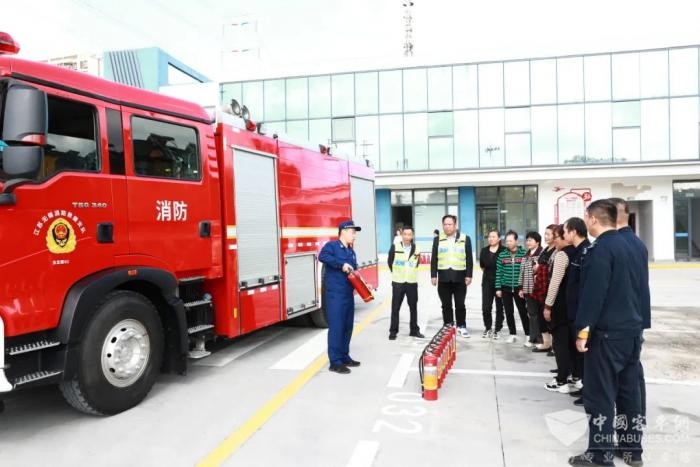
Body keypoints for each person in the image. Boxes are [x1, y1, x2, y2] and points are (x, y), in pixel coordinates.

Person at [568, 200, 644, 467]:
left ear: (592, 219)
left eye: (586, 217)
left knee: (599, 396)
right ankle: (632, 450)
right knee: (629, 394)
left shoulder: (600, 249)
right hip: (631, 331)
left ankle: (600, 455)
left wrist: (582, 332)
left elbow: (593, 295)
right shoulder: (633, 244)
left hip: (607, 335)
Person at [609, 197, 651, 456]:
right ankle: (632, 447)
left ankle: (621, 445)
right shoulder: (637, 243)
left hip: (619, 326)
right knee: (631, 384)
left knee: (620, 388)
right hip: (635, 322)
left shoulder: (615, 245)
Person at [318, 220, 362, 374]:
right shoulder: (332, 246)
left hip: (348, 294)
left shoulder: (351, 252)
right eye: (352, 232)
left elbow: (355, 273)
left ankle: (344, 356)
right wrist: (341, 264)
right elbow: (322, 256)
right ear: (343, 231)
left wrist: (364, 285)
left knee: (347, 327)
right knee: (337, 327)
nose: (354, 235)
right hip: (335, 295)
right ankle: (335, 362)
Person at [543, 225, 577, 393]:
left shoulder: (563, 254)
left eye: (556, 237)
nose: (553, 240)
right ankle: (573, 375)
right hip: (571, 306)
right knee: (569, 343)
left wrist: (548, 305)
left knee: (560, 344)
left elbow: (555, 283)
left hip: (560, 306)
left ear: (565, 237)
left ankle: (561, 380)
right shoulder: (576, 251)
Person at [430, 214, 474, 337]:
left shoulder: (465, 238)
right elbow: (434, 259)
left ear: (455, 225)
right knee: (446, 305)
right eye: (445, 224)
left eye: (449, 224)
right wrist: (433, 275)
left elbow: (469, 258)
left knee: (460, 304)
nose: (447, 226)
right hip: (443, 277)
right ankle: (448, 326)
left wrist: (469, 275)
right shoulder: (437, 239)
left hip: (460, 277)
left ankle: (461, 326)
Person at [563, 217, 590, 406]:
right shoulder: (577, 251)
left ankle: (589, 392)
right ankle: (584, 387)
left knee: (586, 356)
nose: (564, 235)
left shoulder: (586, 252)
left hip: (581, 312)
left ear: (573, 232)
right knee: (580, 355)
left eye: (565, 231)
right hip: (574, 311)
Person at [388, 226, 424, 340]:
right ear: (401, 235)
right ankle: (393, 331)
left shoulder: (417, 248)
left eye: (409, 234)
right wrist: (397, 273)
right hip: (398, 282)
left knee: (413, 308)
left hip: (411, 283)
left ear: (412, 236)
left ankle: (414, 330)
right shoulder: (395, 247)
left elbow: (417, 263)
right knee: (395, 308)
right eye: (405, 234)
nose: (407, 237)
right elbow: (390, 262)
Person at [495, 230, 528, 343]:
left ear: (516, 241)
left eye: (510, 241)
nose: (508, 243)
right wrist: (498, 288)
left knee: (523, 311)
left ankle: (528, 334)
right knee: (509, 312)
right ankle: (512, 333)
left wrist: (523, 288)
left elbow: (526, 272)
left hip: (519, 289)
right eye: (507, 241)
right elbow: (498, 272)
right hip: (505, 288)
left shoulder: (524, 254)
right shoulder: (502, 255)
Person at [531, 224, 557, 353]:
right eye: (545, 234)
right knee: (541, 316)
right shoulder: (546, 249)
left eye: (548, 234)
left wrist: (539, 268)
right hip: (540, 288)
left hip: (549, 287)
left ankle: (555, 345)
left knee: (550, 317)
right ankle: (546, 343)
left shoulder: (557, 250)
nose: (546, 237)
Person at [518, 231, 543, 348]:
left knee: (541, 315)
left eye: (531, 240)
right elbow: (521, 273)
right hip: (528, 290)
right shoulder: (525, 255)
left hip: (539, 290)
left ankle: (543, 340)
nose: (528, 242)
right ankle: (534, 339)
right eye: (527, 240)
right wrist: (521, 288)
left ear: (537, 242)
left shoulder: (542, 254)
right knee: (532, 315)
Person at [479, 229, 505, 339]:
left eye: (493, 236)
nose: (491, 238)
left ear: (499, 238)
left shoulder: (504, 250)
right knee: (486, 307)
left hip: (500, 283)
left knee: (499, 307)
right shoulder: (484, 250)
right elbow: (482, 266)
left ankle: (497, 329)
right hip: (487, 282)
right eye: (489, 236)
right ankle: (488, 327)